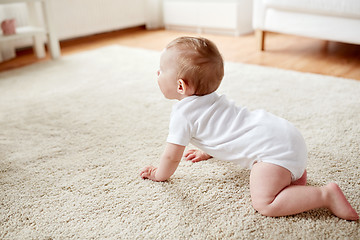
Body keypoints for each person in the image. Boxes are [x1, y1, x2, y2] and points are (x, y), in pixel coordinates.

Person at [140, 36, 359, 220]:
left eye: (161, 70)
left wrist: (159, 175)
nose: (157, 74)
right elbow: (223, 127)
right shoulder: (212, 99)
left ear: (180, 86)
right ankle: (294, 177)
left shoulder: (182, 115)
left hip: (275, 153)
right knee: (277, 169)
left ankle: (324, 195)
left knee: (265, 203)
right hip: (286, 135)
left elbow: (171, 158)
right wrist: (206, 151)